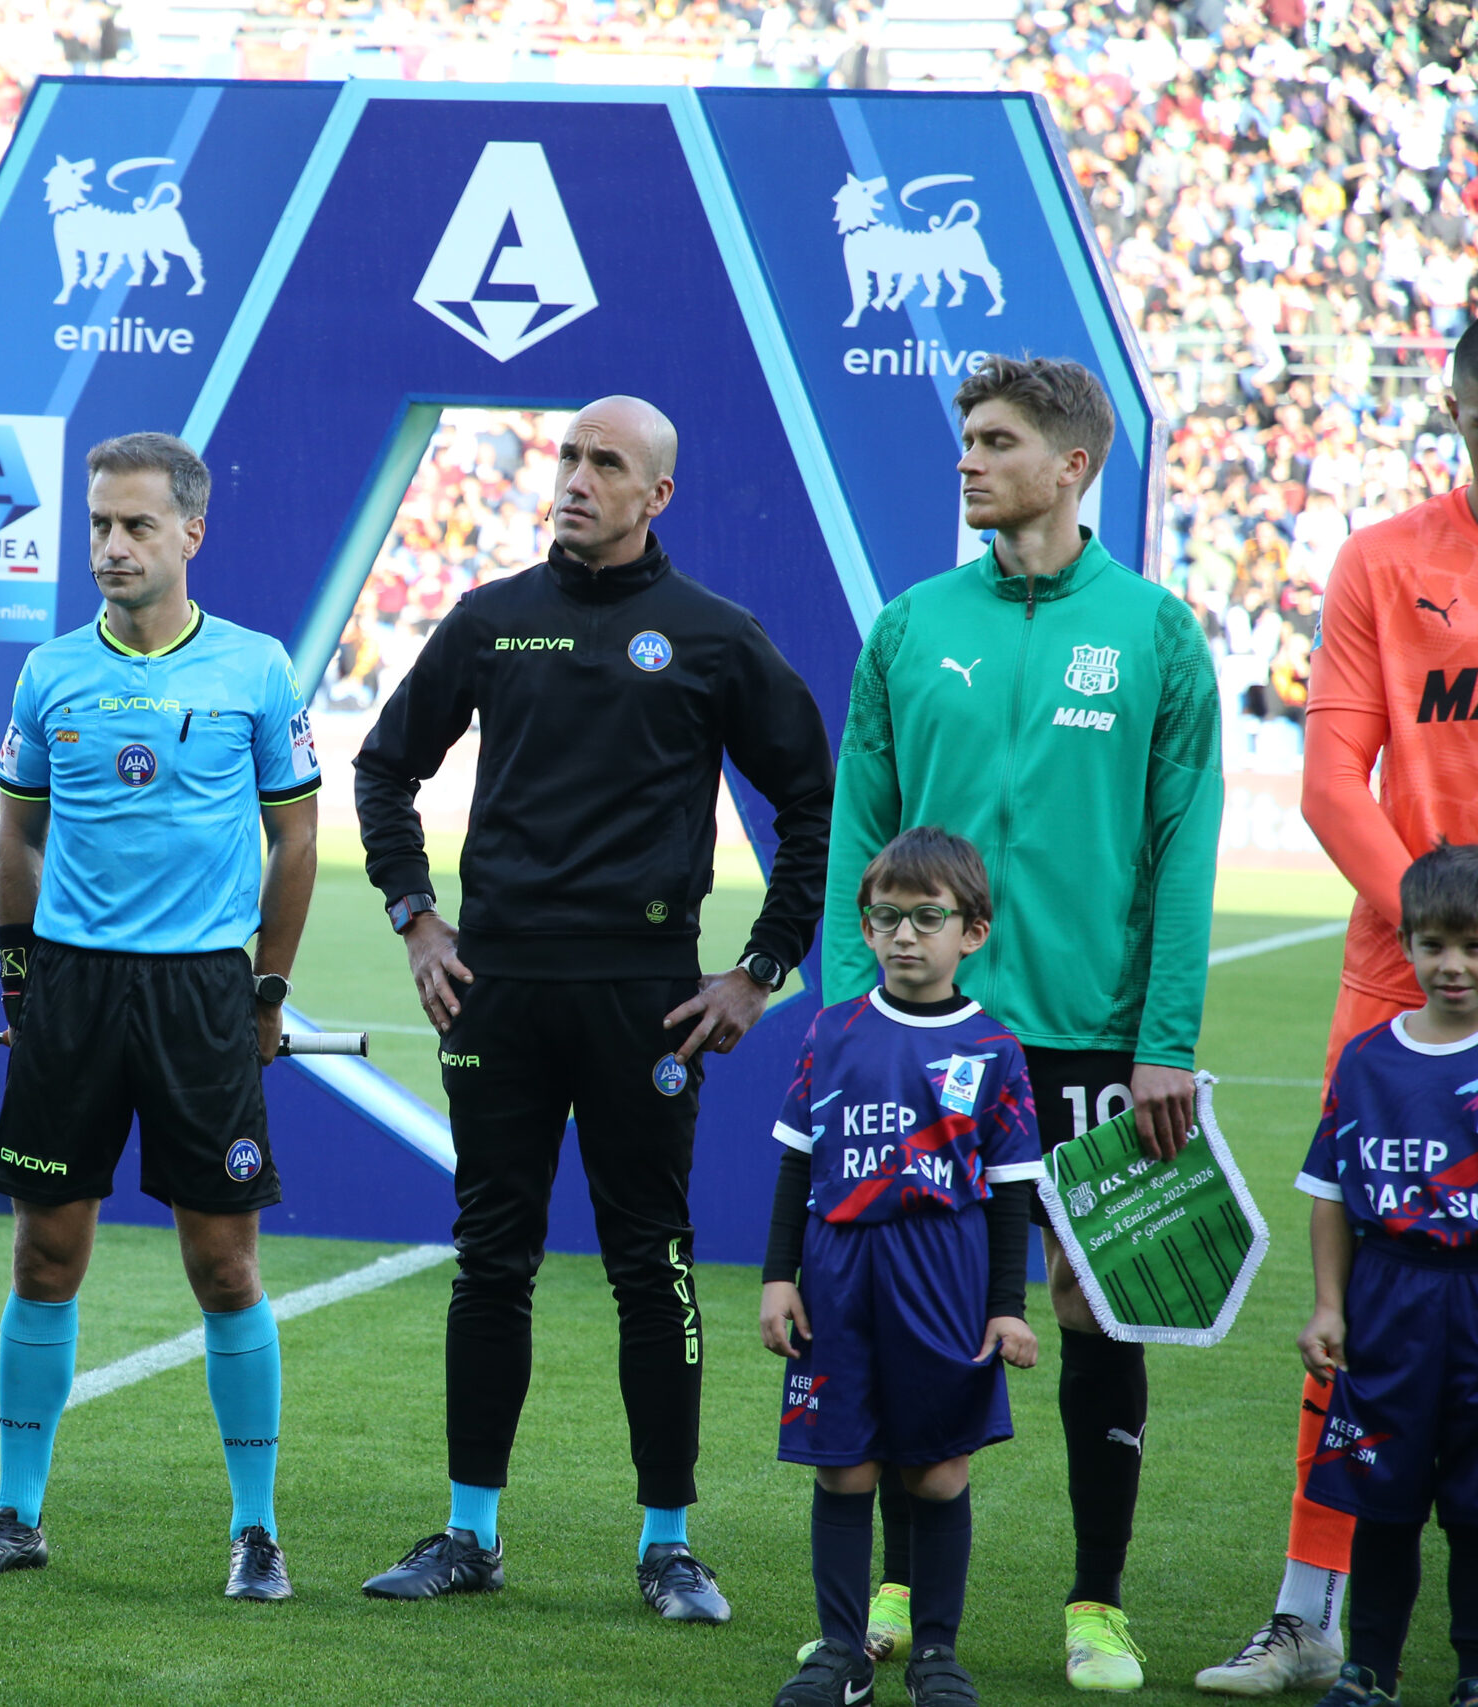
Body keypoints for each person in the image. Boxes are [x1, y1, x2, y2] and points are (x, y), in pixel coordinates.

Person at [355, 395, 836, 1619]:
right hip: (498, 994)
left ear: (655, 495)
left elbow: (813, 806)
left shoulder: (714, 637)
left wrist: (760, 968)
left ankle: (667, 1545)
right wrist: (417, 918)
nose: (572, 477)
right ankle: (469, 1534)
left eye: (603, 462)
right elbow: (382, 767)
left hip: (643, 1002)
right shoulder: (491, 620)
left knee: (651, 1264)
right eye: (567, 456)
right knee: (490, 1263)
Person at [821, 354, 1222, 1690]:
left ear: (1073, 464)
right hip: (919, 1036)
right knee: (908, 1305)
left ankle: (1096, 1601)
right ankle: (891, 1581)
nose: (968, 460)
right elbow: (857, 836)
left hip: (1097, 1038)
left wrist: (1165, 1034)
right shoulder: (909, 623)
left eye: (995, 441)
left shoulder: (1157, 632)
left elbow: (1184, 844)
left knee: (1099, 1312)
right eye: (966, 437)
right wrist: (843, 1012)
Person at [0, 431, 319, 1601]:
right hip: (73, 990)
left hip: (201, 991)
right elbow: (19, 836)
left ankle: (255, 1530)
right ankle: (16, 1512)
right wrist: (16, 982)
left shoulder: (253, 667)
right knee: (45, 1254)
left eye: (136, 524)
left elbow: (296, 838)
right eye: (98, 524)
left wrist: (265, 990)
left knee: (223, 1264)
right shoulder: (50, 673)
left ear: (191, 533)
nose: (111, 545)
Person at [1203, 320, 1478, 1698]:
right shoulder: (1385, 556)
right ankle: (1311, 1611)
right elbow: (1330, 781)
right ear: (1458, 394)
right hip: (1405, 976)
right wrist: (1447, 939)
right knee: (1366, 1299)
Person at [764, 828, 1043, 1707]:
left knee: (936, 1470)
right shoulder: (833, 1029)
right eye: (886, 917)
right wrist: (780, 1276)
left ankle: (935, 1654)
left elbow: (1006, 1195)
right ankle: (842, 1654)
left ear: (974, 931)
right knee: (842, 1464)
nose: (904, 936)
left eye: (928, 917)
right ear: (867, 924)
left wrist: (1006, 1306)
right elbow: (797, 1162)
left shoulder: (995, 1049)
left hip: (942, 1273)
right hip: (838, 1272)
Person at [1290, 843, 1478, 1707]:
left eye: (1475, 945)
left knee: (1475, 1505)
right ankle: (1370, 1669)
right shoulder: (1367, 1060)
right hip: (1389, 1299)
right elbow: (1331, 1193)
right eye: (1437, 943)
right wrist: (1330, 1305)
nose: (1455, 965)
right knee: (1384, 1493)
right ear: (1404, 943)